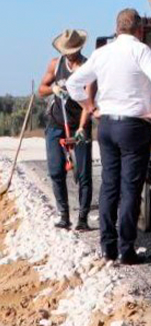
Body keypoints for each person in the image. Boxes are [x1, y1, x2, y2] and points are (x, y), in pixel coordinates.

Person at [66, 9, 151, 264]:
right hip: (134, 127)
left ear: (116, 29)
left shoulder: (102, 54)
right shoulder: (141, 50)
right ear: (140, 30)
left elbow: (72, 85)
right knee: (130, 188)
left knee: (109, 187)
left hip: (108, 127)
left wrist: (90, 108)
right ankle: (126, 250)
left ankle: (107, 247)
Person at [38, 29, 95, 231]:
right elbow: (41, 90)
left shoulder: (88, 68)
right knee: (55, 170)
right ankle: (63, 215)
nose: (70, 54)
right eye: (67, 50)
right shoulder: (56, 64)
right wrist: (52, 89)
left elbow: (88, 103)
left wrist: (81, 128)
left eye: (73, 50)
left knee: (83, 174)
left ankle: (82, 217)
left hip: (78, 123)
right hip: (56, 123)